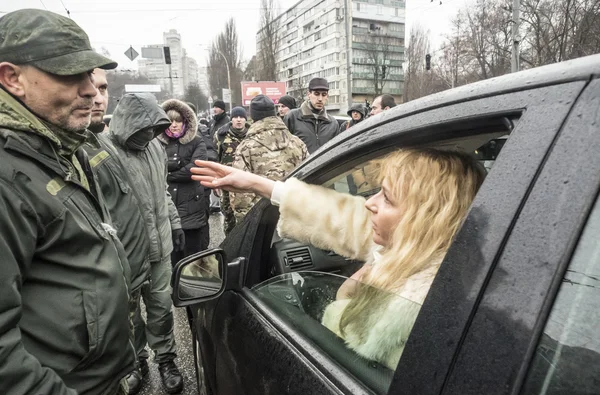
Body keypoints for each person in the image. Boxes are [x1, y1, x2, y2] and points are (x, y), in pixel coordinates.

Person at [190, 148, 486, 369]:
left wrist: (344, 298)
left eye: (386, 197)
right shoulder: (431, 249)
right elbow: (341, 215)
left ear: (424, 219)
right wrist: (261, 185)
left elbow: (346, 345)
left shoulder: (411, 308)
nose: (369, 203)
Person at [0, 9, 133, 395]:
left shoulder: (58, 144)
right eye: (70, 74)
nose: (91, 89)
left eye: (89, 74)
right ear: (12, 78)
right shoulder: (7, 174)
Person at [107, 93, 185, 395]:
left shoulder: (155, 147)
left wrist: (175, 222)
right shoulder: (103, 151)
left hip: (160, 247)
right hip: (125, 251)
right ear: (130, 125)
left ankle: (165, 359)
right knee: (129, 314)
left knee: (162, 308)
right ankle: (135, 362)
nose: (151, 134)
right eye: (146, 129)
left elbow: (162, 190)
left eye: (155, 129)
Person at [84, 70, 154, 395]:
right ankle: (133, 364)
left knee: (133, 322)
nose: (97, 97)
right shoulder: (76, 148)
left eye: (102, 88)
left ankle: (135, 362)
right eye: (84, 85)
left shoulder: (96, 140)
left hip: (131, 266)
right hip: (104, 284)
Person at [230, 95, 308, 224]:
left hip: (262, 223)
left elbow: (240, 195)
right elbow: (309, 179)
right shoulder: (298, 143)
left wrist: (244, 227)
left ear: (253, 116)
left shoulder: (245, 148)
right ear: (274, 113)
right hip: (295, 217)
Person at [160, 99, 210, 264]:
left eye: (178, 121)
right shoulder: (156, 143)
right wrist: (180, 166)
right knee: (172, 259)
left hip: (192, 208)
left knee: (193, 258)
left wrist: (168, 174)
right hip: (167, 208)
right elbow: (154, 168)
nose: (173, 125)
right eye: (170, 121)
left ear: (185, 122)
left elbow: (194, 169)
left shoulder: (197, 141)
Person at [214, 105, 251, 234]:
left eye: (241, 117)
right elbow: (215, 158)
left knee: (248, 215)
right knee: (228, 215)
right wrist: (215, 180)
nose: (239, 120)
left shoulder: (252, 135)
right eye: (235, 117)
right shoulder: (221, 135)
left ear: (246, 119)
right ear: (231, 119)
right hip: (227, 181)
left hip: (248, 182)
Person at [284, 77, 339, 154]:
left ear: (327, 96)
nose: (320, 99)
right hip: (300, 165)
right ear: (309, 94)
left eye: (324, 95)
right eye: (316, 94)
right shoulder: (293, 117)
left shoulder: (332, 123)